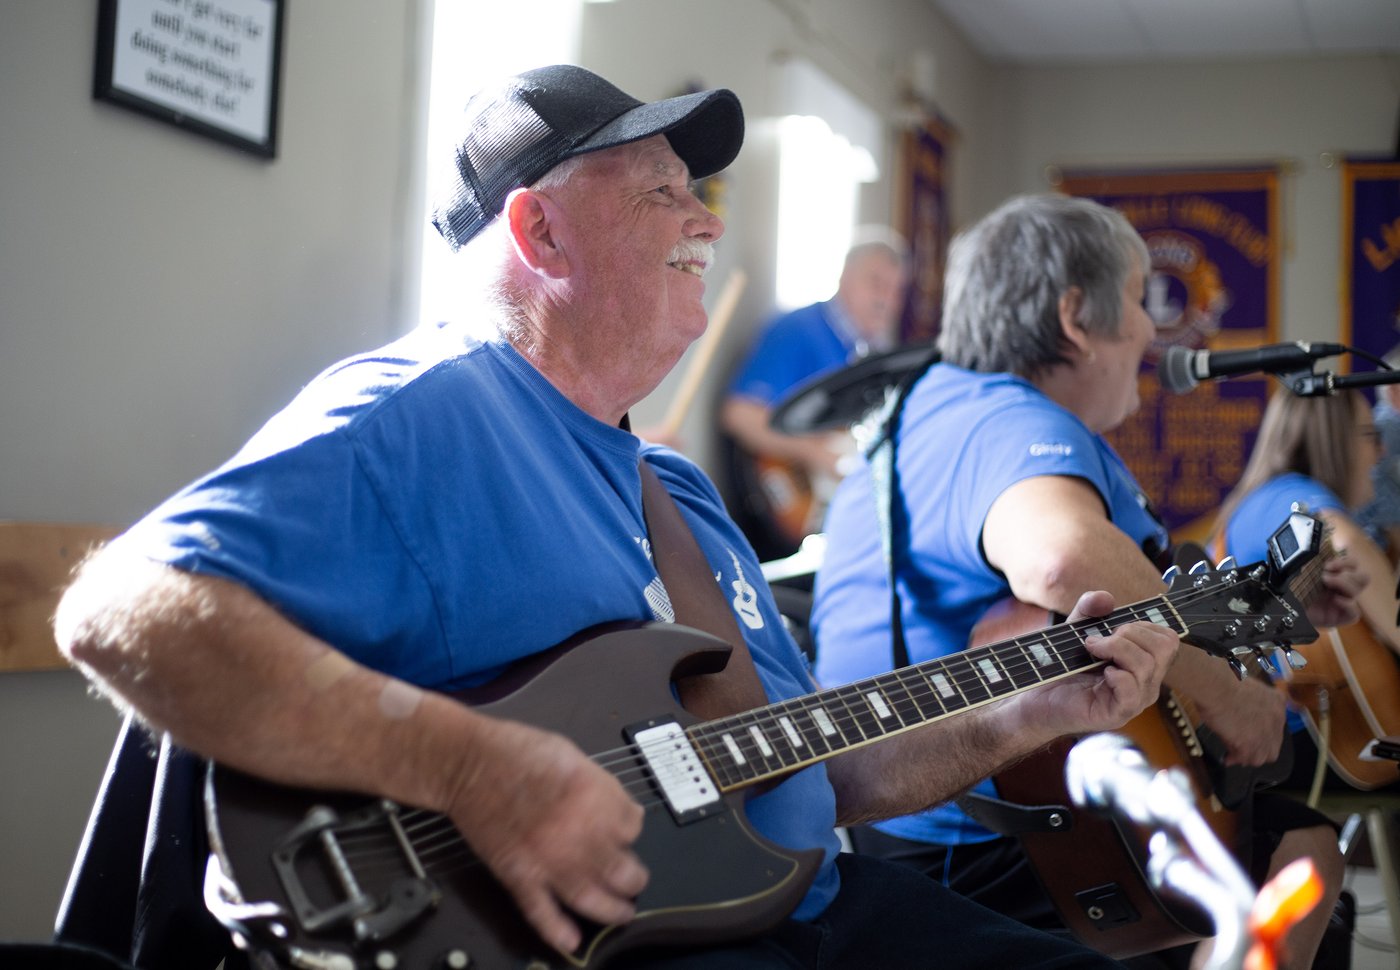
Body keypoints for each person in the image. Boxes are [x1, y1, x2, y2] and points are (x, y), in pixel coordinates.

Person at [53, 67, 1179, 970]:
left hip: (811, 912)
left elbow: (809, 770)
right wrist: (476, 770)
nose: (702, 217)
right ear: (539, 233)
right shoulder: (428, 408)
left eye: (697, 191)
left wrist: (1025, 712)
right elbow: (118, 608)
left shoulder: (673, 489)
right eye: (660, 189)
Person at [810, 193, 1365, 969]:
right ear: (1076, 316)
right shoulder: (1009, 420)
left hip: (914, 831)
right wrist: (1227, 694)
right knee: (1303, 853)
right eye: (1138, 299)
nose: (1148, 329)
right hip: (992, 848)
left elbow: (1125, 607)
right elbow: (1061, 558)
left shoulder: (935, 407)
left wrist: (1285, 604)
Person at [1215, 387, 1400, 792]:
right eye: (1370, 435)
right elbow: (1342, 537)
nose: (1381, 453)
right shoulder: (1295, 494)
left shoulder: (1262, 498)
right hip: (1300, 741)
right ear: (1335, 442)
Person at [720, 229, 911, 558]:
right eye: (876, 282)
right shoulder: (797, 330)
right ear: (845, 276)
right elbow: (739, 414)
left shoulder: (875, 352)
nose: (886, 299)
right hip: (791, 509)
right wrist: (818, 454)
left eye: (896, 290)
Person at [1355, 346, 1400, 562]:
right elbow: (1372, 480)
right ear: (1393, 390)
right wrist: (1395, 527)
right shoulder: (1387, 427)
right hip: (1379, 548)